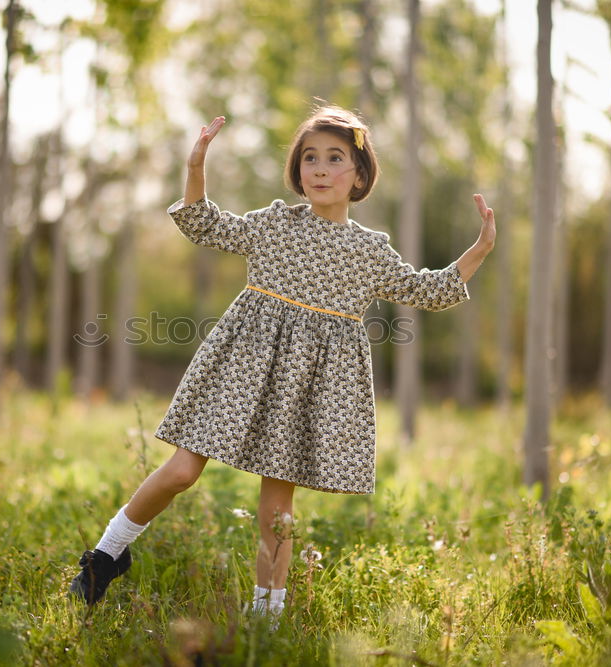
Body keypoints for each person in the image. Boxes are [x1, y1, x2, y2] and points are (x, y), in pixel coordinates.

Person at [70, 105, 496, 623]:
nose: (319, 168)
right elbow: (204, 225)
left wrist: (480, 247)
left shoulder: (369, 251)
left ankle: (265, 620)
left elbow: (428, 290)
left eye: (334, 158)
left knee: (277, 509)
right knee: (182, 470)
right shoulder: (274, 224)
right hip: (242, 367)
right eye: (309, 158)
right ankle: (106, 555)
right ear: (297, 171)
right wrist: (196, 166)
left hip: (307, 387)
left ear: (359, 175)